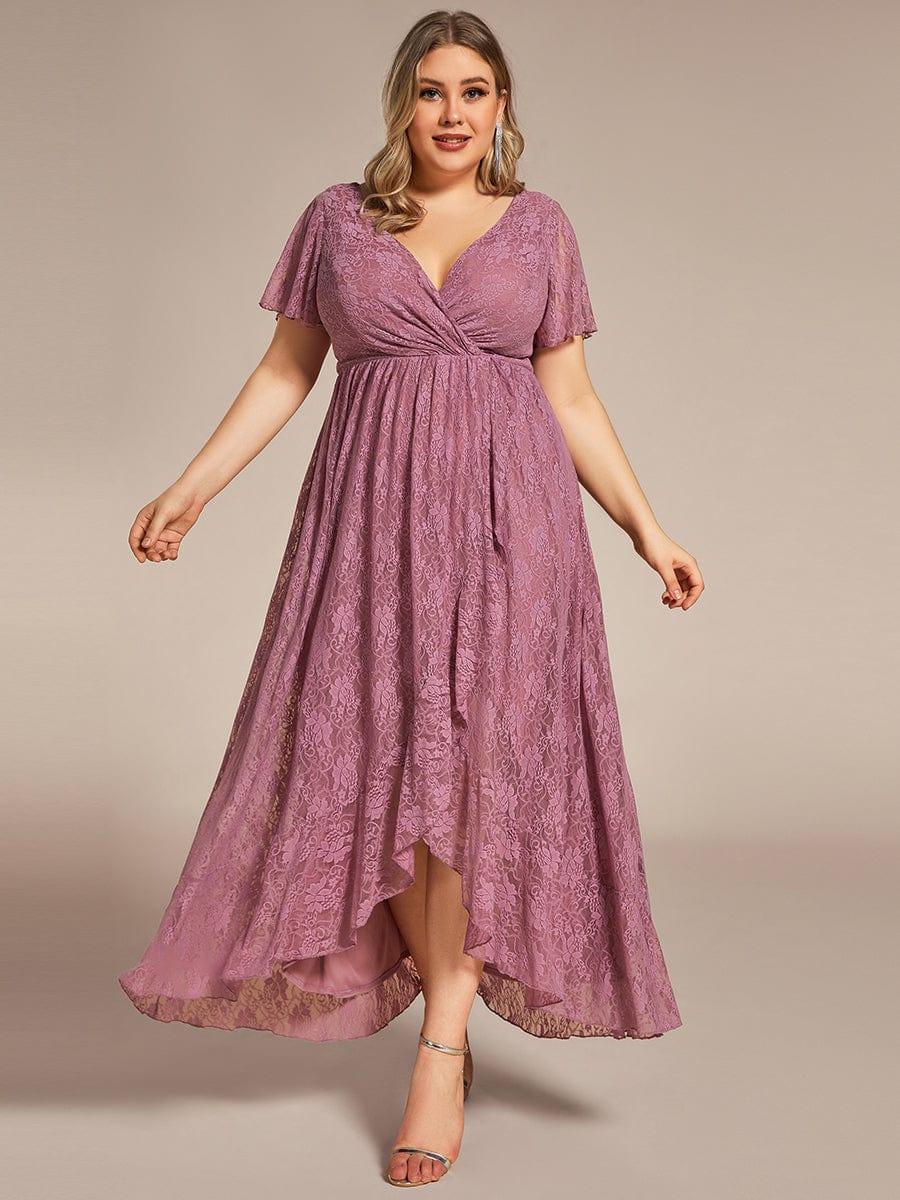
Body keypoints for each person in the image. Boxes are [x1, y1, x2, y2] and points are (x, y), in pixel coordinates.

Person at [120, 10, 704, 1189]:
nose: (452, 113)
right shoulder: (338, 220)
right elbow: (286, 370)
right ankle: (446, 1016)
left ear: (502, 106)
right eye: (432, 90)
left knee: (484, 773)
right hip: (373, 538)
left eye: (474, 91)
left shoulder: (541, 227)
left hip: (514, 532)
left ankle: (441, 1045)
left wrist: (648, 528)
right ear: (400, 102)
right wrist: (191, 488)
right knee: (405, 774)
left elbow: (572, 398)